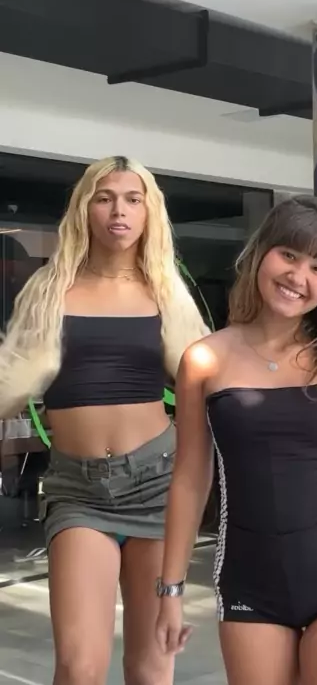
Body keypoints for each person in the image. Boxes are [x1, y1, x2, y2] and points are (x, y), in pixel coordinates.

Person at [156, 196, 317, 685]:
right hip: (249, 580)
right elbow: (190, 479)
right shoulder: (204, 360)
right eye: (289, 255)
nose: (299, 276)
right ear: (262, 254)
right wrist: (170, 591)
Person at [0, 155, 209, 685]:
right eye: (105, 198)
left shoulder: (165, 291)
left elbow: (210, 381)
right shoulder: (49, 288)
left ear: (148, 212)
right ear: (85, 209)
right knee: (78, 668)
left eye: (133, 199)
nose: (119, 210)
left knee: (150, 668)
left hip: (157, 485)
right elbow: (10, 377)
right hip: (77, 490)